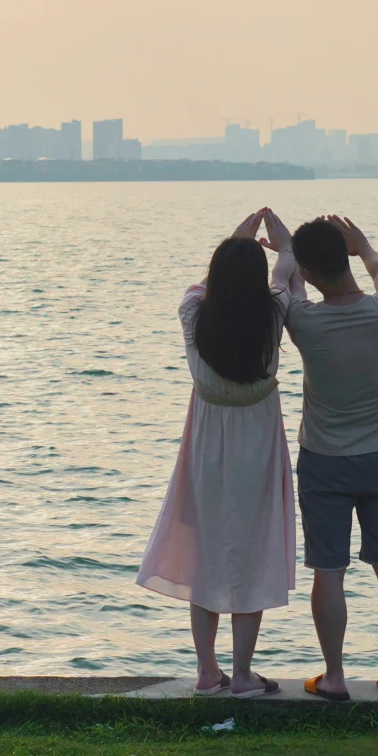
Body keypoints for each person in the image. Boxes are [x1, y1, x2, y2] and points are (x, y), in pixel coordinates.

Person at [135, 207, 298, 697]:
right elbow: (286, 275)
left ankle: (207, 671)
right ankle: (243, 672)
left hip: (207, 443)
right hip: (257, 442)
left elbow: (203, 288)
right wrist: (283, 246)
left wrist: (234, 241)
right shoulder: (274, 313)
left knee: (207, 551)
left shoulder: (193, 314)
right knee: (252, 548)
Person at [272, 213, 378, 701]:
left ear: (311, 273)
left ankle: (334, 676)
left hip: (324, 460)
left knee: (329, 571)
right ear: (347, 255)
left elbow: (291, 286)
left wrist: (288, 250)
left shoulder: (304, 322)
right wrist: (366, 246)